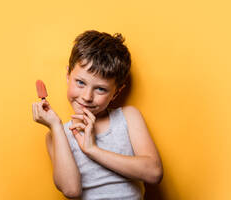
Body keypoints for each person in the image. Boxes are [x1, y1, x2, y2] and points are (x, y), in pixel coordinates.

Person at [32, 30, 163, 200]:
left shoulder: (128, 118)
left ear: (116, 93)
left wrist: (92, 150)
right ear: (67, 75)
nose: (87, 97)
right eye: (80, 82)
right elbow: (71, 190)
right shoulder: (55, 136)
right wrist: (56, 127)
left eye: (100, 89)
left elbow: (154, 173)